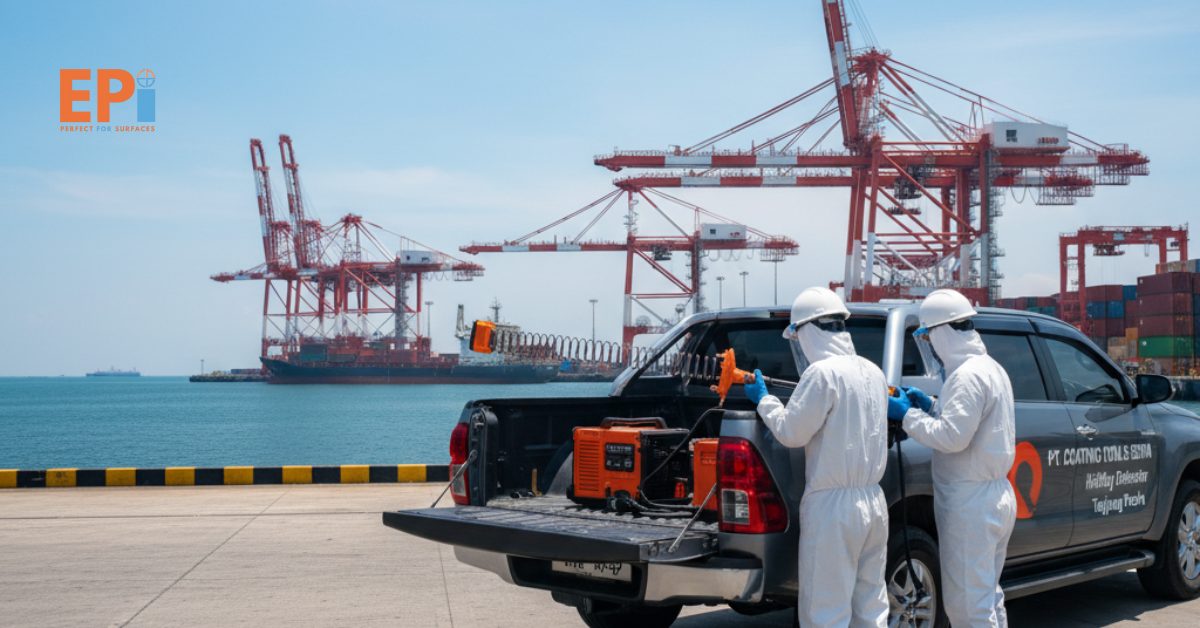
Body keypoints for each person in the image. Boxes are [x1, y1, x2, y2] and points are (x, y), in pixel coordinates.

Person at [745, 287, 889, 628]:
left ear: (807, 330)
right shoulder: (873, 371)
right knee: (871, 607)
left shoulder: (822, 374)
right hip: (873, 503)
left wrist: (764, 400)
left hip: (833, 509)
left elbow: (791, 432)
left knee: (825, 612)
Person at [891, 289, 1017, 627]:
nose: (930, 346)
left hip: (971, 504)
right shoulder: (989, 368)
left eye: (929, 337)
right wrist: (931, 406)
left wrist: (906, 416)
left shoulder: (966, 376)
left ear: (942, 332)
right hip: (994, 496)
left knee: (967, 608)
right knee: (988, 597)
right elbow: (972, 424)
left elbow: (952, 437)